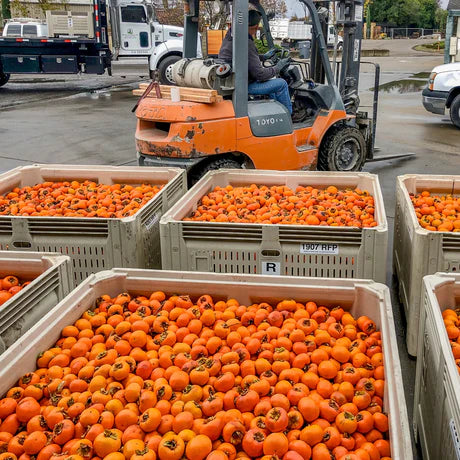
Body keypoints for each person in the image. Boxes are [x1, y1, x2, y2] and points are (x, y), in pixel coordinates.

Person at [218, 10, 292, 114]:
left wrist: (263, 57)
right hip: (245, 85)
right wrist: (278, 68)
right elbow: (260, 74)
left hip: (234, 82)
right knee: (281, 84)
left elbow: (242, 56)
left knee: (271, 81)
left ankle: (274, 113)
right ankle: (288, 116)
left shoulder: (231, 37)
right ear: (256, 27)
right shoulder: (247, 43)